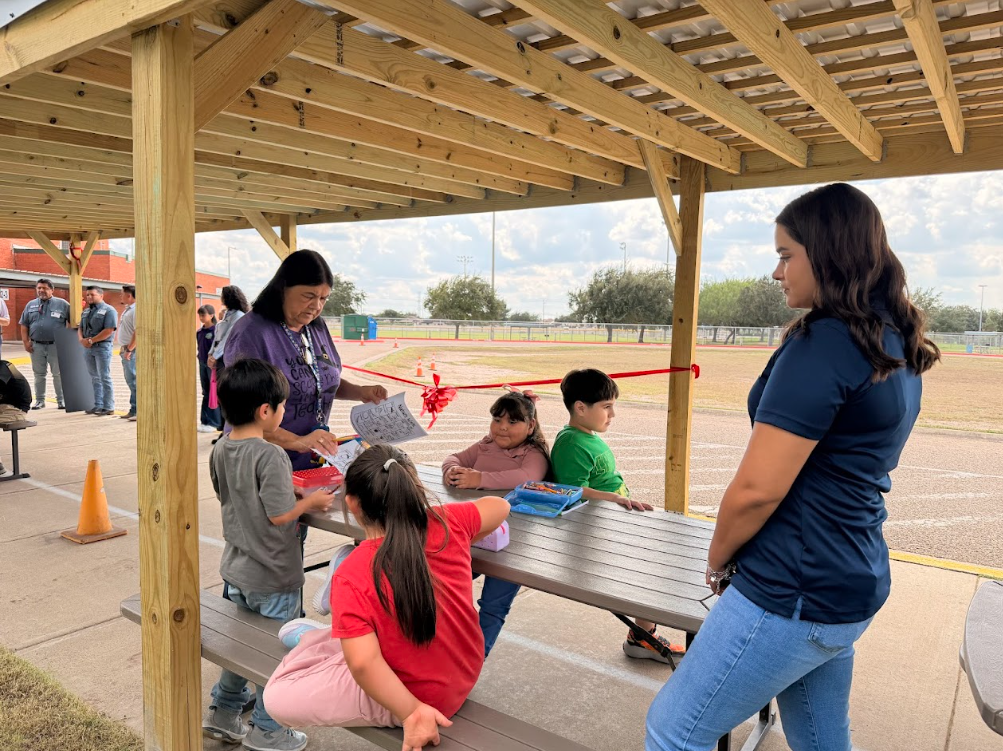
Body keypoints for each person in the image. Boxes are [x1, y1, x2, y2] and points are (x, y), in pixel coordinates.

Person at [645, 183, 941, 751]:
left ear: (827, 255)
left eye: (785, 255)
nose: (777, 273)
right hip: (850, 580)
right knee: (822, 742)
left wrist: (718, 555)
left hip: (792, 589)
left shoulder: (826, 343)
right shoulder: (891, 340)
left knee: (673, 731)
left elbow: (756, 490)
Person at [262, 444, 510, 751]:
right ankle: (337, 638)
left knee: (276, 698)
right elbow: (500, 508)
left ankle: (331, 639)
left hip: (409, 696)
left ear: (351, 503)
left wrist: (411, 712)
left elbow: (365, 665)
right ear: (414, 490)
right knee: (356, 644)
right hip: (461, 676)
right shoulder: (450, 522)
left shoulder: (354, 572)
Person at [201, 358, 335, 751]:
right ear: (265, 411)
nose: (282, 414)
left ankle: (224, 713)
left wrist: (285, 495)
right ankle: (268, 729)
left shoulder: (222, 447)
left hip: (236, 568)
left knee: (241, 645)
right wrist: (310, 504)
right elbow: (279, 516)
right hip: (274, 574)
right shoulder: (270, 455)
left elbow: (234, 495)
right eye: (282, 408)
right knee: (276, 654)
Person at [550, 368, 680, 664]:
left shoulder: (585, 436)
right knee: (650, 566)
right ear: (581, 408)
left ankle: (643, 633)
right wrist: (614, 498)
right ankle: (643, 638)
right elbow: (571, 490)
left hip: (612, 517)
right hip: (598, 527)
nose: (613, 414)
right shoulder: (571, 442)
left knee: (657, 559)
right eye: (606, 407)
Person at [225, 250, 387, 469]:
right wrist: (297, 441)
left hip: (308, 457)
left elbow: (318, 381)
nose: (317, 306)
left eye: (323, 298)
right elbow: (244, 415)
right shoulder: (251, 333)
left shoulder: (315, 327)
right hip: (260, 461)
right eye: (309, 296)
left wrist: (360, 392)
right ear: (283, 288)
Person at [440, 389, 549, 656]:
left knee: (493, 606)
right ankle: (443, 651)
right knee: (445, 586)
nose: (502, 428)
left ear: (530, 425)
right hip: (474, 537)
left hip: (513, 545)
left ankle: (473, 661)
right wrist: (451, 471)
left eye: (513, 422)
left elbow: (529, 477)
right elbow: (453, 458)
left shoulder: (532, 452)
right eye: (497, 419)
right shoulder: (485, 444)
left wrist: (480, 479)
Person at [18, 279, 70, 409]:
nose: (41, 290)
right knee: (39, 374)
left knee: (58, 374)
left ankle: (61, 400)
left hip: (56, 346)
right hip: (36, 346)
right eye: (39, 288)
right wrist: (25, 342)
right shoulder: (31, 305)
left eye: (45, 288)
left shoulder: (63, 304)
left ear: (52, 290)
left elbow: (74, 323)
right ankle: (40, 401)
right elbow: (24, 324)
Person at [78, 286, 117, 416]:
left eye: (92, 295)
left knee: (104, 376)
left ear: (101, 296)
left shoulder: (109, 310)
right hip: (88, 348)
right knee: (94, 377)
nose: (89, 297)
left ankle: (108, 406)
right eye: (87, 295)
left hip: (102, 347)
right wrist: (81, 340)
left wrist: (91, 341)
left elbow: (109, 330)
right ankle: (98, 404)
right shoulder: (86, 311)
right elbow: (80, 328)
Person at [207, 285, 250, 372]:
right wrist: (210, 353)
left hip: (226, 358)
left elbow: (227, 339)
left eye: (222, 295)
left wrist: (214, 356)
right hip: (219, 356)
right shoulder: (227, 314)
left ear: (228, 297)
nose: (221, 297)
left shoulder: (239, 316)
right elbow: (217, 337)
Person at [196, 305, 222, 433]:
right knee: (205, 392)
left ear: (211, 315)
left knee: (213, 393)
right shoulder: (199, 332)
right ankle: (204, 421)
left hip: (212, 366)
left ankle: (214, 422)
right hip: (202, 363)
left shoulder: (216, 331)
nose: (201, 318)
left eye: (203, 315)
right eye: (199, 315)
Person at [118, 285, 137, 421]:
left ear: (129, 295)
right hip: (127, 348)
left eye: (122, 294)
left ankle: (137, 411)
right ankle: (134, 409)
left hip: (132, 350)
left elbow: (138, 331)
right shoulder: (128, 310)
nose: (121, 296)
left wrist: (130, 349)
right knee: (130, 380)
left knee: (134, 380)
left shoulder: (136, 310)